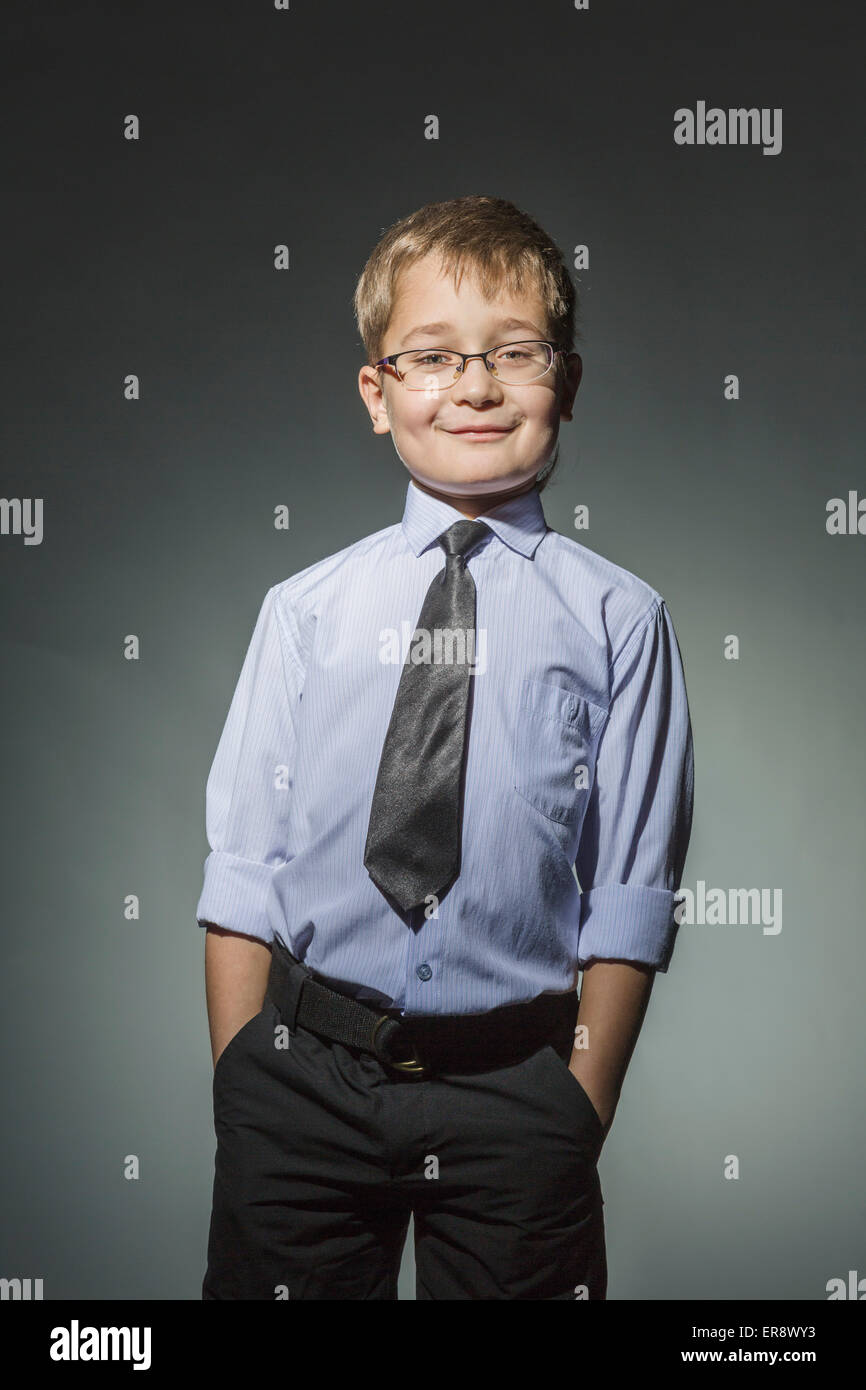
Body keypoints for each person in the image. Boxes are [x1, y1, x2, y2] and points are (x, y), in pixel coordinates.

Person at [196, 194, 694, 1301]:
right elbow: (242, 865)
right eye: (430, 358)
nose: (473, 386)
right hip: (302, 1080)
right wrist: (243, 1074)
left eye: (513, 353)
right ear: (376, 395)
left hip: (515, 1089)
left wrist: (579, 1102)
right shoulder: (305, 608)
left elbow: (629, 886)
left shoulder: (621, 619)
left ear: (563, 382)